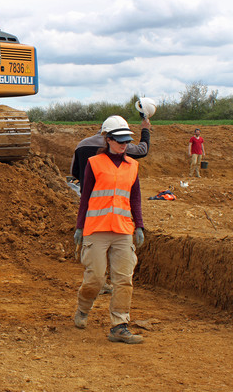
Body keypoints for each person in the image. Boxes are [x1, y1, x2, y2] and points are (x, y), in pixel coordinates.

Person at [72, 117, 145, 344]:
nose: (124, 145)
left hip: (123, 229)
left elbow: (135, 198)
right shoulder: (94, 163)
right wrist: (80, 226)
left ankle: (119, 326)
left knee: (123, 279)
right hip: (96, 229)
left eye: (127, 141)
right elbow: (85, 197)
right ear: (108, 139)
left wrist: (139, 225)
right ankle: (83, 308)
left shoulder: (132, 166)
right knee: (95, 278)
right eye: (120, 141)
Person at [70, 115, 151, 193]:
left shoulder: (82, 145)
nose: (124, 143)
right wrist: (145, 130)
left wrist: (86, 180)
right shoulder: (117, 146)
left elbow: (74, 172)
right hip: (112, 200)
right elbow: (142, 150)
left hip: (88, 198)